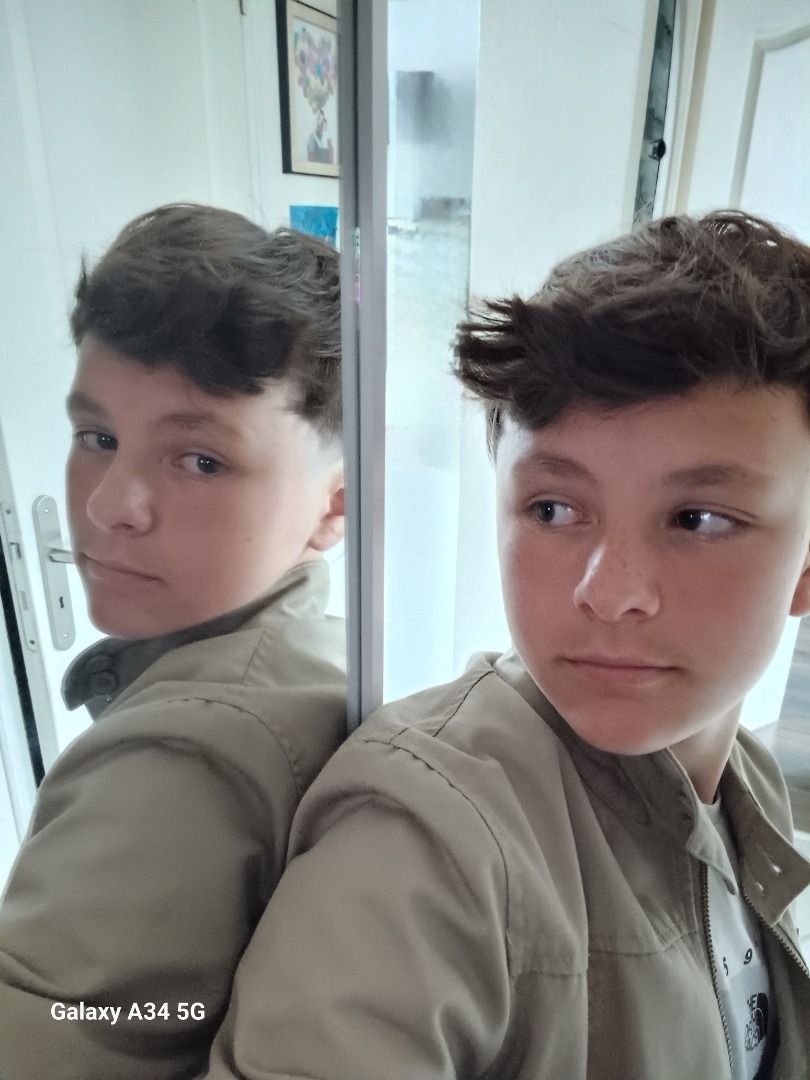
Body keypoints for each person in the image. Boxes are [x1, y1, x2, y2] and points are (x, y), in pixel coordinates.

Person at [202, 210, 810, 1080]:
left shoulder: (750, 786)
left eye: (699, 519)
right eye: (553, 509)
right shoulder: (428, 839)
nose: (608, 590)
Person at [0, 204, 347, 1080]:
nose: (108, 503)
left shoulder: (182, 756)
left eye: (199, 460)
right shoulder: (314, 647)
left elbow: (61, 1033)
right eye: (97, 438)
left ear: (335, 505)